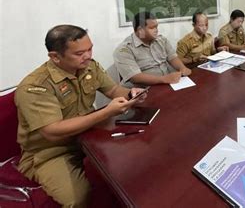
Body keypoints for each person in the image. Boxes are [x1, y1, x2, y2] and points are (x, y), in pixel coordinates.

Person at [14, 25, 146, 207]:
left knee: (135, 162)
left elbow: (114, 90)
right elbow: (52, 131)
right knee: (77, 199)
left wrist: (132, 93)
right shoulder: (36, 86)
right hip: (50, 152)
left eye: (90, 48)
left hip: (88, 136)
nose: (88, 55)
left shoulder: (89, 67)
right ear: (55, 56)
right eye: (79, 53)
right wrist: (106, 112)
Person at [113, 11, 191, 87]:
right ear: (140, 30)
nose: (156, 30)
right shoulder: (124, 50)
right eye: (152, 28)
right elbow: (135, 77)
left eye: (156, 26)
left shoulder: (161, 40)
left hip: (167, 85)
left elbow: (172, 58)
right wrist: (164, 79)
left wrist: (182, 68)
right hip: (144, 91)